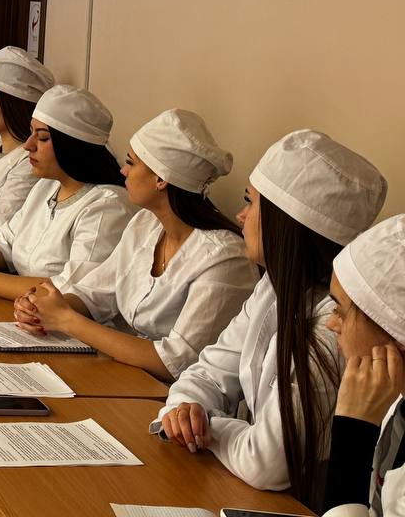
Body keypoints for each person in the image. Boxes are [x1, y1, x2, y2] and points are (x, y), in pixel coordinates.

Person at [156, 130, 387, 506]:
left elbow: (267, 463)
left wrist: (206, 426)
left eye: (250, 202)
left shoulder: (335, 328)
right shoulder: (273, 290)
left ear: (285, 224)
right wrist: (184, 410)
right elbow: (206, 372)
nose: (240, 215)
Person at [13, 109, 259, 382]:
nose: (123, 170)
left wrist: (66, 319)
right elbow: (95, 293)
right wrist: (43, 308)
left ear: (161, 179)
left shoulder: (225, 258)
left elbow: (175, 362)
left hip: (174, 397)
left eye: (131, 163)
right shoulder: (145, 224)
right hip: (126, 376)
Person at [0, 84, 131, 301]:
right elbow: (5, 240)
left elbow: (72, 289)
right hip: (24, 309)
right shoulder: (46, 187)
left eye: (43, 138)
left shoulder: (107, 206)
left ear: (72, 146)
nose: (28, 145)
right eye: (31, 133)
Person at [321, 214, 405, 517]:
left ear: (394, 331)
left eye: (340, 312)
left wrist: (352, 431)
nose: (331, 324)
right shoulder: (394, 402)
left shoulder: (370, 408)